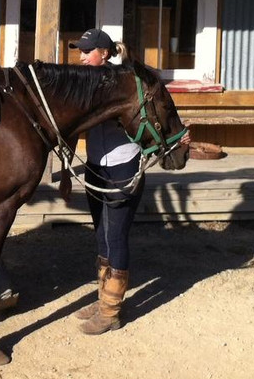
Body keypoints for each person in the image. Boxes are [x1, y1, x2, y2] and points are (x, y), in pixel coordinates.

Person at [69, 27, 189, 335]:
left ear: (104, 53)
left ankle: (111, 313)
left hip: (124, 167)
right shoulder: (87, 82)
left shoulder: (124, 84)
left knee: (116, 237)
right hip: (96, 166)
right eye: (80, 51)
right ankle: (104, 298)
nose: (81, 57)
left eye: (87, 51)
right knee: (101, 235)